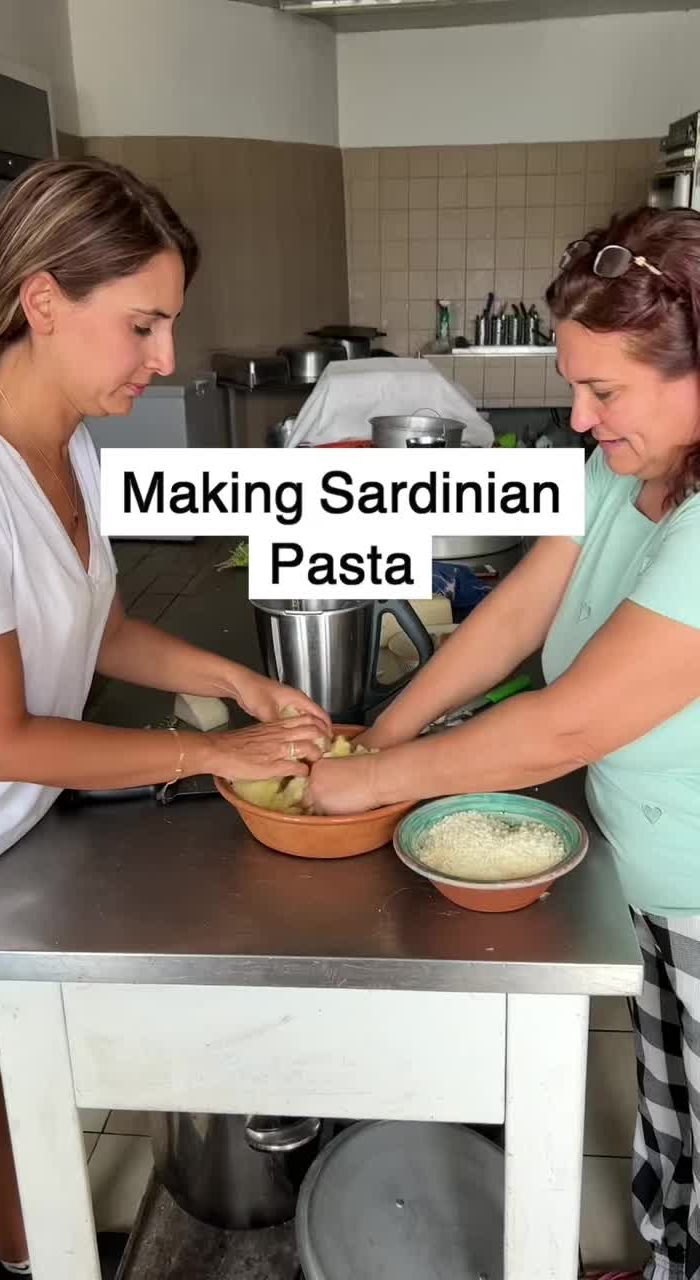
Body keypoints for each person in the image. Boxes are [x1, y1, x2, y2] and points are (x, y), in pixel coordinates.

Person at [307, 206, 700, 1280]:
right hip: (655, 879)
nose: (578, 417)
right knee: (673, 1112)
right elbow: (517, 614)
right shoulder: (627, 472)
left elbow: (569, 722)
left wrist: (369, 784)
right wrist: (381, 732)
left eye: (604, 390)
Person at [0, 157, 330, 1278]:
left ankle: (26, 1253)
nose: (166, 357)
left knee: (8, 1090)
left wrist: (239, 681)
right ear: (43, 301)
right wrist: (212, 750)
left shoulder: (72, 445)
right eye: (143, 325)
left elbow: (103, 627)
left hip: (10, 841)